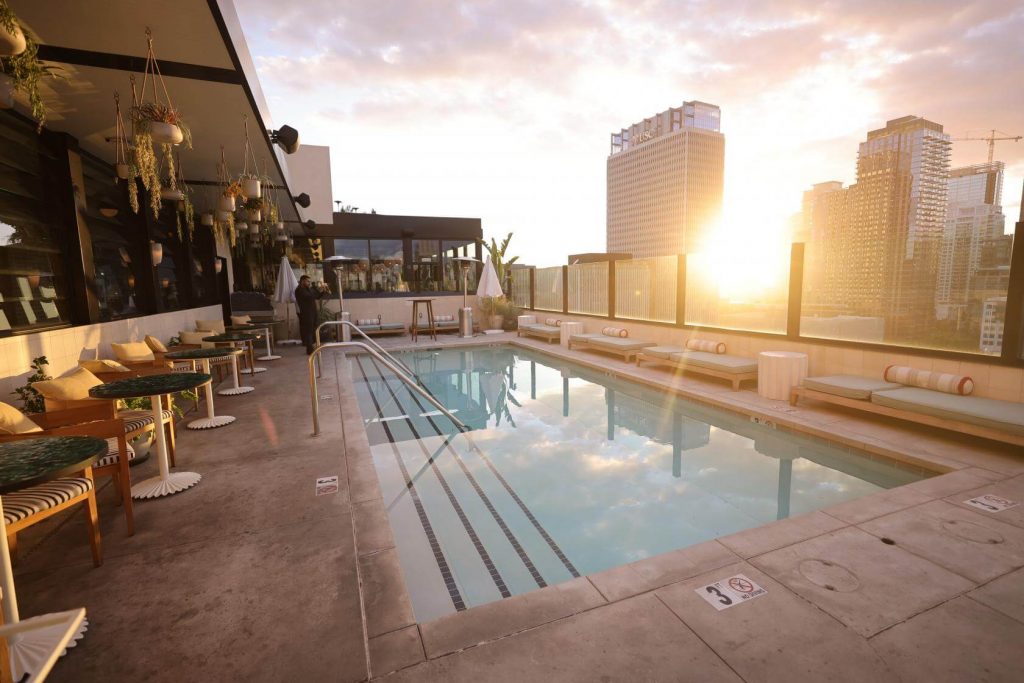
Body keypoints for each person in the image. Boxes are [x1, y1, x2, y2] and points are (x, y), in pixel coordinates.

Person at [294, 274, 322, 354]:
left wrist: (323, 291)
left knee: (314, 329)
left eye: (309, 282)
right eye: (307, 281)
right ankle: (309, 349)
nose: (309, 283)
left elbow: (317, 297)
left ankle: (312, 347)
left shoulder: (308, 289)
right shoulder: (299, 290)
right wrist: (316, 289)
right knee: (308, 331)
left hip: (313, 312)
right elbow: (309, 297)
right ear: (303, 281)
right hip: (306, 313)